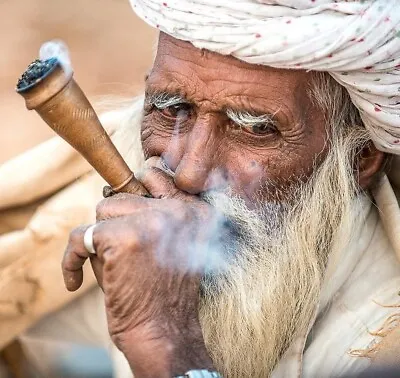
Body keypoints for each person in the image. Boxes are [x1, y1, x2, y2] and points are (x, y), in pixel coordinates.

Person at [3, 0, 400, 377]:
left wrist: (166, 343)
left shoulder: (382, 339)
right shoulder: (128, 178)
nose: (190, 173)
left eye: (255, 128)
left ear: (360, 158)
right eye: (173, 108)